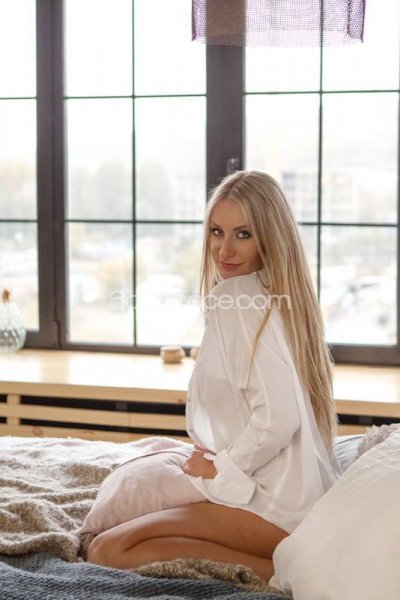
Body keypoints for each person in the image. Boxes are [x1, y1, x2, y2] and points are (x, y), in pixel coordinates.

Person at [87, 170, 341, 581]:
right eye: (217, 231)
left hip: (277, 508)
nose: (225, 249)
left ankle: (305, 576)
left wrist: (222, 468)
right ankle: (299, 569)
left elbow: (279, 417)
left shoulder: (237, 298)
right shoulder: (274, 292)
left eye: (243, 234)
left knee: (108, 549)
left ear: (270, 238)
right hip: (297, 501)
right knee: (119, 541)